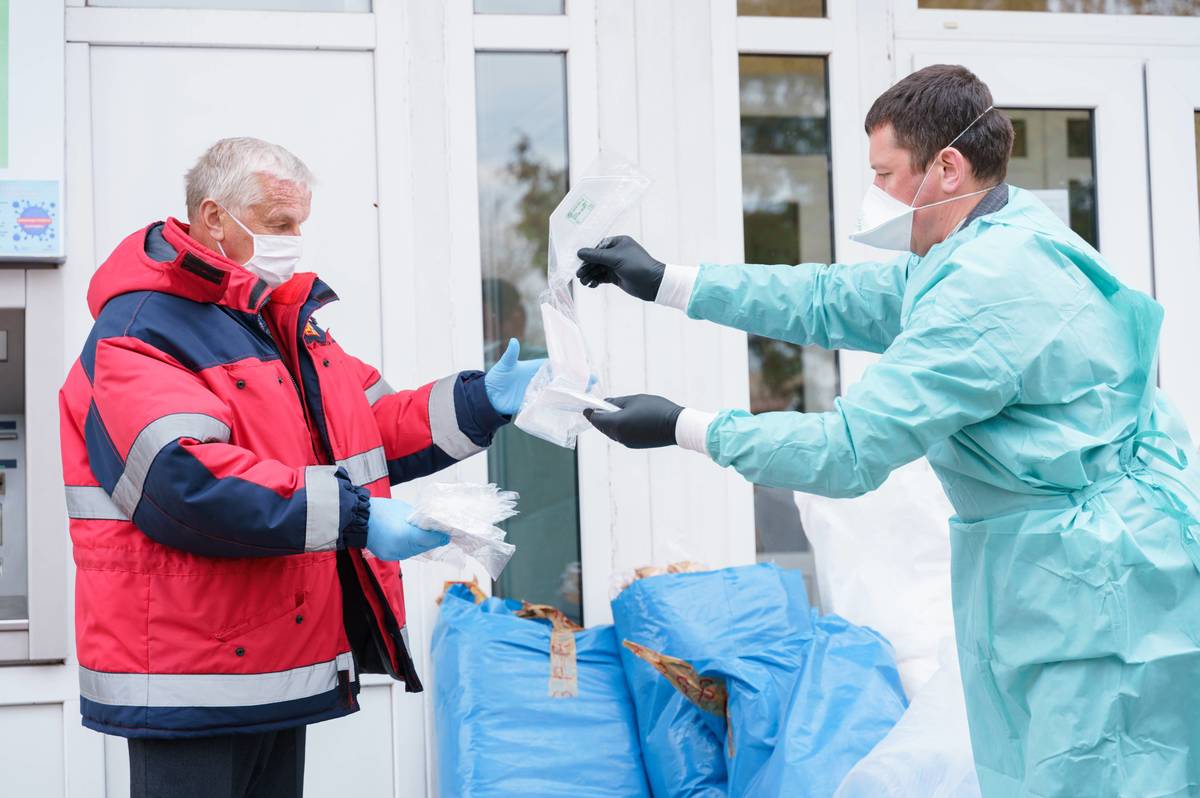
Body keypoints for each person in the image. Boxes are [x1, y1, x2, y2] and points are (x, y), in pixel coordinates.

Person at [577, 65, 1200, 797]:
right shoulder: (996, 239)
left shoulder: (987, 291)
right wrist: (666, 281)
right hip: (1077, 579)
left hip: (1092, 602)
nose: (875, 194)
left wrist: (685, 427)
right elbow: (829, 298)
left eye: (885, 173)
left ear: (947, 166)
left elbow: (848, 452)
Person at [58, 137, 543, 797]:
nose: (293, 241)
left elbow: (367, 423)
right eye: (277, 223)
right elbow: (185, 481)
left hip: (271, 662)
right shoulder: (140, 331)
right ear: (212, 218)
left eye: (299, 226)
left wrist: (479, 401)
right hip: (191, 676)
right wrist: (358, 517)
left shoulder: (276, 322)